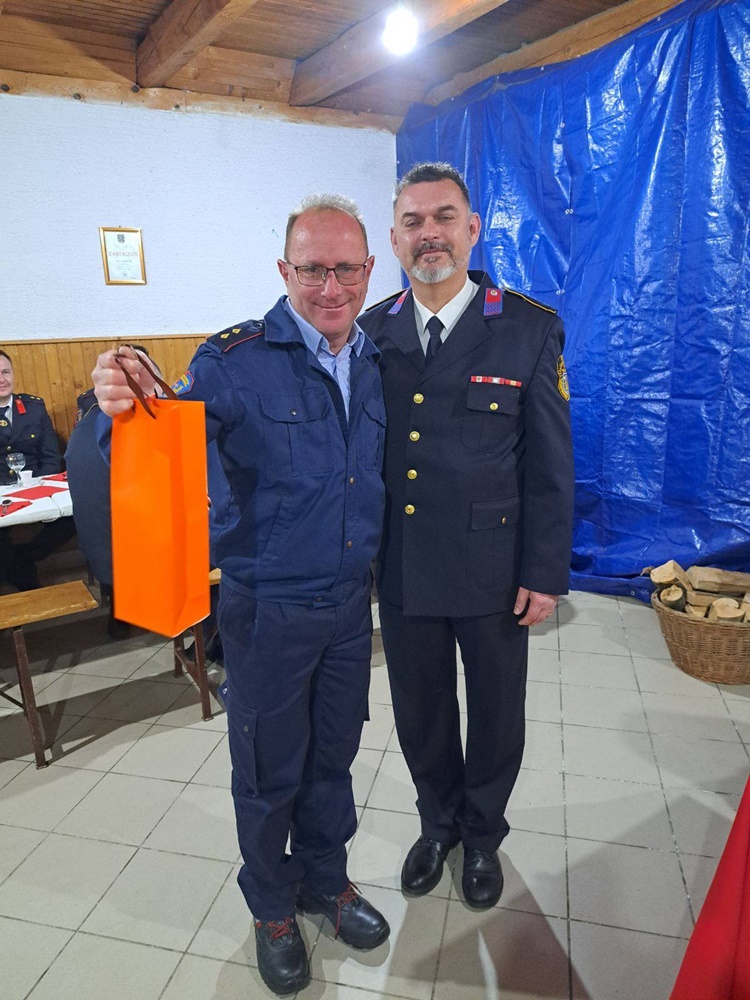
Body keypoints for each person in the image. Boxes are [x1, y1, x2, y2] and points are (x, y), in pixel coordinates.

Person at [91, 194, 389, 997]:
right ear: (284, 270)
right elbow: (154, 436)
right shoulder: (234, 360)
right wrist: (114, 405)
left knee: (334, 757)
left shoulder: (378, 357)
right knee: (266, 769)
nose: (330, 287)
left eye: (346, 269)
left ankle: (325, 881)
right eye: (313, 269)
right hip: (268, 610)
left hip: (348, 607)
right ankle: (272, 909)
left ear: (369, 271)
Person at [359, 163, 575, 910]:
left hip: (494, 566)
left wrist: (544, 572)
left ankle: (482, 834)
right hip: (406, 563)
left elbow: (550, 465)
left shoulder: (527, 327)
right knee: (419, 710)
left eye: (444, 217)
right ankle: (439, 824)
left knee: (495, 711)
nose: (430, 234)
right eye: (413, 222)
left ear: (472, 229)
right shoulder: (371, 333)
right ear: (394, 240)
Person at [0, 349, 68, 591]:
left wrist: (40, 489)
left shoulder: (34, 408)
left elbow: (51, 456)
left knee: (76, 517)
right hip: (1, 494)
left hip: (36, 486)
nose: (2, 380)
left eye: (6, 372)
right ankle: (26, 582)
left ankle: (24, 558)